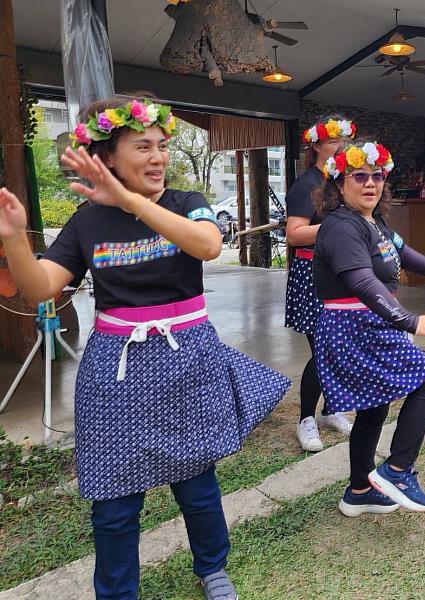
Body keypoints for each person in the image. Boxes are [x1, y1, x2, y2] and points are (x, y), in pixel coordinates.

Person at [0, 97, 290, 600]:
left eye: (161, 146)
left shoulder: (186, 201)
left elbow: (207, 245)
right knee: (113, 504)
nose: (158, 157)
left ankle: (212, 567)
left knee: (197, 484)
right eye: (142, 147)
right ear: (109, 157)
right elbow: (43, 287)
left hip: (188, 358)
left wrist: (130, 201)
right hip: (117, 367)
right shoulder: (86, 222)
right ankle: (117, 593)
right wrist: (15, 244)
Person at [312, 140, 425, 516]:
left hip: (370, 321)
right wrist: (411, 320)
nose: (371, 183)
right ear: (339, 184)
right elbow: (363, 284)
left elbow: (401, 251)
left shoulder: (373, 222)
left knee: (374, 408)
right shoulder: (341, 227)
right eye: (360, 176)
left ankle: (358, 491)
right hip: (354, 325)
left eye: (377, 176)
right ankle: (398, 471)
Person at [286, 115, 356, 452]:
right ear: (316, 145)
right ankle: (306, 419)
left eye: (343, 141)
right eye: (332, 141)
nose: (339, 147)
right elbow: (294, 234)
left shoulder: (338, 182)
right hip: (311, 274)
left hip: (336, 271)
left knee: (337, 347)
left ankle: (330, 410)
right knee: (325, 350)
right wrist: (339, 223)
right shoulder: (307, 184)